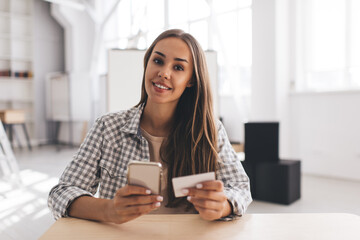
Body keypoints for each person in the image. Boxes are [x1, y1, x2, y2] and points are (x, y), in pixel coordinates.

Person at [48, 29, 252, 224]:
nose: (163, 73)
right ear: (147, 65)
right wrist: (109, 210)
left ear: (191, 80)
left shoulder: (210, 131)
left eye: (178, 67)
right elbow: (61, 193)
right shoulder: (107, 127)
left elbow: (241, 189)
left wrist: (223, 205)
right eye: (158, 61)